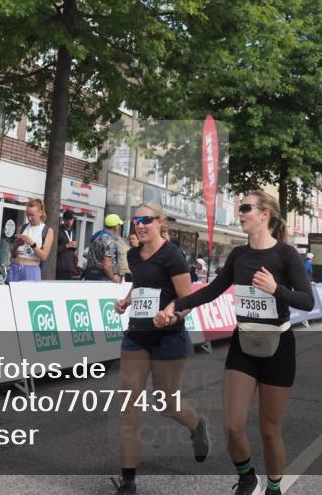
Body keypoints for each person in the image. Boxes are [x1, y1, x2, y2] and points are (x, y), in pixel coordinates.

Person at [159, 191, 314, 495]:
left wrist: (275, 289)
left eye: (245, 209)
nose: (240, 213)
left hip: (278, 347)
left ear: (265, 214)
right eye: (239, 209)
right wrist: (176, 306)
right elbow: (212, 291)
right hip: (243, 344)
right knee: (232, 426)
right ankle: (247, 478)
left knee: (270, 431)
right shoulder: (239, 256)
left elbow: (307, 301)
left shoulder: (286, 255)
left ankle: (273, 488)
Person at [111, 201, 209, 494]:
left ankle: (197, 425)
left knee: (166, 405)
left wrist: (171, 314)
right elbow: (141, 281)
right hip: (137, 335)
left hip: (169, 337)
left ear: (160, 221)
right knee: (129, 406)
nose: (139, 225)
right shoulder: (134, 254)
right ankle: (128, 480)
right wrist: (127, 300)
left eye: (146, 220)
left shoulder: (173, 256)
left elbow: (187, 301)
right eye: (136, 220)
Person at [8, 198, 54, 282]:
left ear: (40, 213)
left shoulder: (47, 230)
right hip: (15, 267)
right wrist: (17, 245)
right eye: (27, 215)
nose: (29, 218)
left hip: (31, 270)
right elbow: (13, 254)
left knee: (30, 295)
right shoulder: (22, 227)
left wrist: (32, 243)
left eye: (32, 215)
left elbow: (44, 256)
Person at [85, 214, 123, 282]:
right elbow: (106, 265)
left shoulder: (97, 236)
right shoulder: (108, 240)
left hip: (90, 274)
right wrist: (113, 277)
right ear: (116, 226)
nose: (119, 227)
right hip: (102, 277)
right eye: (118, 225)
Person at [56, 210, 79, 280]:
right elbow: (54, 250)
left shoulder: (73, 232)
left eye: (71, 219)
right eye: (67, 219)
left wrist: (75, 247)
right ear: (63, 220)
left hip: (70, 267)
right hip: (60, 267)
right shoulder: (58, 231)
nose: (69, 222)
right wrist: (67, 246)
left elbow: (73, 249)